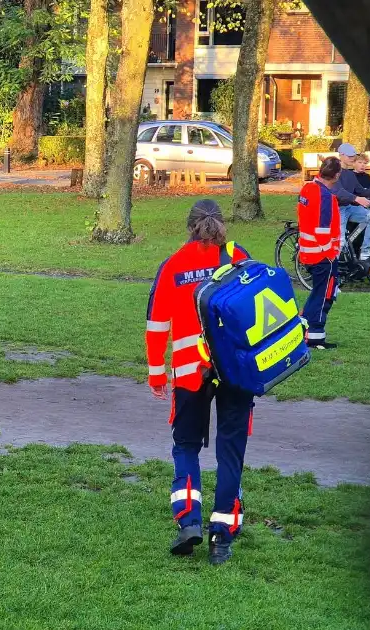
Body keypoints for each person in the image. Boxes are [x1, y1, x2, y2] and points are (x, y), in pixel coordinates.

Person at [146, 200, 254, 566]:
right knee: (229, 452)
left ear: (189, 227)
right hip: (236, 371)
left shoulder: (173, 266)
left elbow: (157, 323)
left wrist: (156, 373)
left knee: (186, 446)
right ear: (221, 225)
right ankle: (221, 538)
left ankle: (189, 520)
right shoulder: (238, 257)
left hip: (191, 373)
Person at [298, 156, 343, 350]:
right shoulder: (325, 196)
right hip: (322, 256)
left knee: (318, 292)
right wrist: (330, 252)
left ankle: (305, 329)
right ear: (337, 175)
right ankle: (314, 336)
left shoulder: (307, 189)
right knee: (324, 295)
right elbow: (322, 230)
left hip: (308, 253)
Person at [333, 143, 370, 265]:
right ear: (341, 155)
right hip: (336, 209)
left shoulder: (350, 174)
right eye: (349, 156)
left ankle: (365, 253)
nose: (352, 158)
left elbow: (361, 191)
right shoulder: (334, 171)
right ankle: (332, 274)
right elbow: (338, 191)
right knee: (341, 243)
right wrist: (356, 198)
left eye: (353, 156)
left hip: (348, 207)